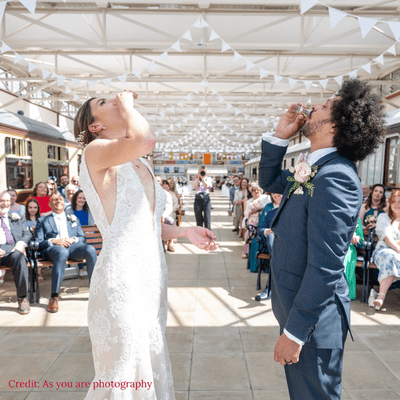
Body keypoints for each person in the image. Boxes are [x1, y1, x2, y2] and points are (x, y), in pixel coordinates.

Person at [74, 90, 218, 399]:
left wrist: (183, 232)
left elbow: (145, 225)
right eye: (103, 103)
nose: (112, 100)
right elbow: (144, 139)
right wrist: (127, 106)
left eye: (113, 99)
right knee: (125, 369)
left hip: (151, 276)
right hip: (122, 277)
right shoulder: (95, 151)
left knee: (148, 364)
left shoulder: (139, 161)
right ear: (95, 126)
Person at [258, 79, 386, 400]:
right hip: (298, 311)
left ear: (337, 125)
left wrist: (295, 333)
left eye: (325, 105)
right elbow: (269, 179)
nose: (314, 106)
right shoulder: (315, 168)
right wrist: (280, 135)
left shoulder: (337, 176)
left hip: (313, 325)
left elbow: (327, 265)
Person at [35, 193, 97, 313]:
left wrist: (73, 239)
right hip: (53, 249)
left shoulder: (72, 218)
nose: (58, 201)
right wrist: (53, 241)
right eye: (55, 200)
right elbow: (39, 243)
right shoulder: (42, 220)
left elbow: (82, 237)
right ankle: (54, 296)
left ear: (64, 203)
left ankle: (95, 290)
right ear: (49, 204)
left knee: (90, 250)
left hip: (72, 247)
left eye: (60, 199)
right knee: (62, 252)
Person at [0, 190, 32, 313]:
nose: (5, 203)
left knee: (19, 257)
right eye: (2, 200)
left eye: (8, 201)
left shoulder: (14, 217)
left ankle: (23, 297)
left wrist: (21, 243)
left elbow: (27, 233)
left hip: (12, 252)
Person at [371, 189, 400, 310]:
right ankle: (381, 297)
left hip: (396, 252)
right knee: (391, 256)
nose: (397, 205)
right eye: (394, 201)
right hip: (383, 251)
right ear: (390, 202)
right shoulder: (383, 218)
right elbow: (388, 239)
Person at [255, 193, 283, 301]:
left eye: (280, 195)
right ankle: (269, 289)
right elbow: (260, 230)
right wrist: (267, 231)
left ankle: (269, 289)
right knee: (271, 235)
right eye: (275, 196)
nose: (278, 197)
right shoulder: (270, 213)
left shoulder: (293, 211)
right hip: (274, 246)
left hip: (289, 245)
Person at [65, 189, 95, 277]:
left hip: (89, 235)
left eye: (84, 198)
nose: (82, 200)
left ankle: (92, 267)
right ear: (75, 199)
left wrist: (90, 232)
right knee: (80, 242)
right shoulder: (69, 210)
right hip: (76, 236)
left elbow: (91, 224)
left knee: (93, 243)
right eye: (80, 198)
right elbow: (68, 226)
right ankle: (81, 268)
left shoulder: (88, 210)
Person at [242, 183, 264, 261]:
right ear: (251, 192)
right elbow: (245, 213)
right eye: (254, 190)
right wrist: (250, 212)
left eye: (258, 190)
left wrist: (258, 209)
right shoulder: (249, 201)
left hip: (262, 219)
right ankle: (246, 251)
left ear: (261, 191)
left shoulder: (264, 199)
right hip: (252, 220)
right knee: (249, 231)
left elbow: (267, 208)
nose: (256, 191)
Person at [343, 218, 364, 300]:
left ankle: (344, 290)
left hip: (349, 248)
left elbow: (361, 241)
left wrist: (356, 238)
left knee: (346, 255)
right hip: (334, 246)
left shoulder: (356, 219)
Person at [194, 165, 213, 230]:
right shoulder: (197, 179)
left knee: (207, 218)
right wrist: (198, 178)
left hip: (206, 198)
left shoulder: (209, 179)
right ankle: (200, 234)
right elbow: (195, 187)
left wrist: (202, 179)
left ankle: (208, 234)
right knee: (198, 218)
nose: (202, 173)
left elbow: (207, 186)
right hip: (198, 198)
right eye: (201, 172)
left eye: (204, 172)